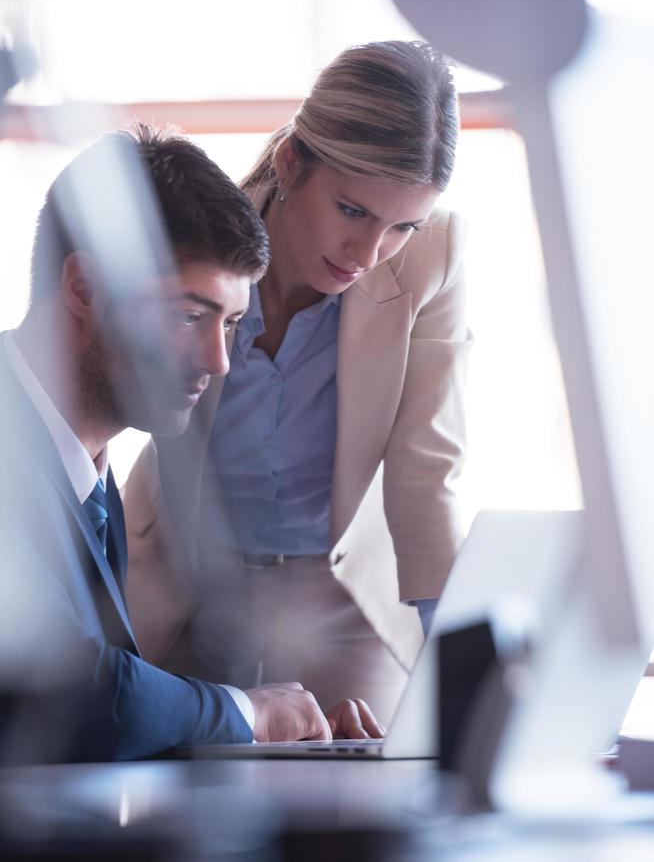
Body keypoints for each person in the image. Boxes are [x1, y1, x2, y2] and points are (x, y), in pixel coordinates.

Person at [0, 124, 384, 764]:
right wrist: (247, 715)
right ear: (83, 289)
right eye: (188, 315)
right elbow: (66, 691)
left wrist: (288, 730)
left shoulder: (87, 473)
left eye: (232, 322)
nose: (220, 361)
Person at [124, 40, 472, 723]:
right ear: (291, 164)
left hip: (338, 599)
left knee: (359, 796)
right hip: (189, 578)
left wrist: (460, 671)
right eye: (352, 211)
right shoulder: (200, 237)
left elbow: (426, 472)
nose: (369, 255)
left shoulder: (434, 256)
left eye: (403, 226)